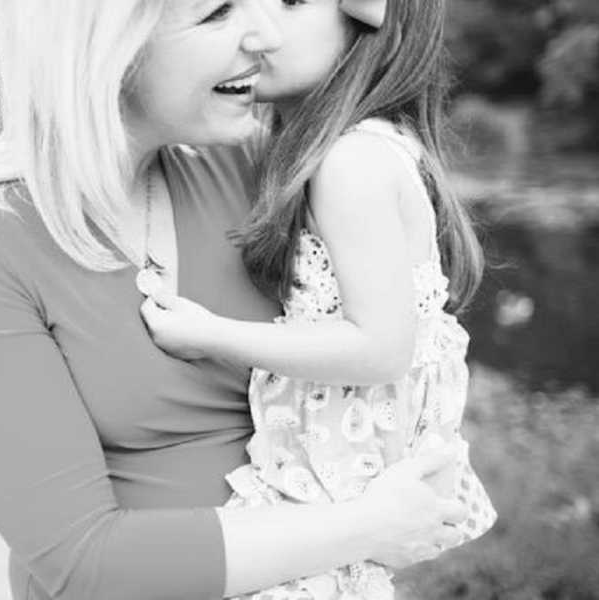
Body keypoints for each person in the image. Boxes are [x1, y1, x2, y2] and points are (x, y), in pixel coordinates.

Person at [0, 1, 469, 598]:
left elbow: (389, 355)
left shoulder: (260, 169)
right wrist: (362, 528)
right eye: (218, 13)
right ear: (108, 46)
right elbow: (82, 566)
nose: (263, 33)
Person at [141, 1, 497, 598]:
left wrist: (209, 334)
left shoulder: (349, 162)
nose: (256, 28)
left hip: (339, 479)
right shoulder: (370, 145)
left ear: (366, 24)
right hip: (345, 473)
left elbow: (380, 348)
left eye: (291, 2)